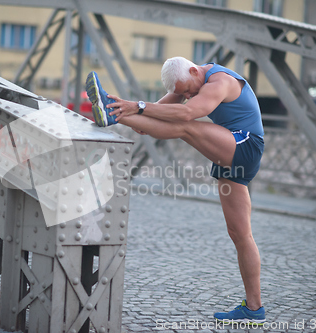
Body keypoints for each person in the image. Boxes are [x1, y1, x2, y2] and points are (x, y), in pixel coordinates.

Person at [85, 56, 266, 325]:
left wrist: (134, 108)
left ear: (194, 70)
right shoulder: (188, 81)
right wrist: (136, 115)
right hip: (229, 151)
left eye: (189, 90)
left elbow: (185, 114)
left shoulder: (221, 82)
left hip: (245, 145)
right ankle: (254, 309)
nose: (188, 95)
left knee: (185, 126)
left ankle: (112, 113)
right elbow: (153, 114)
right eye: (182, 93)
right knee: (239, 233)